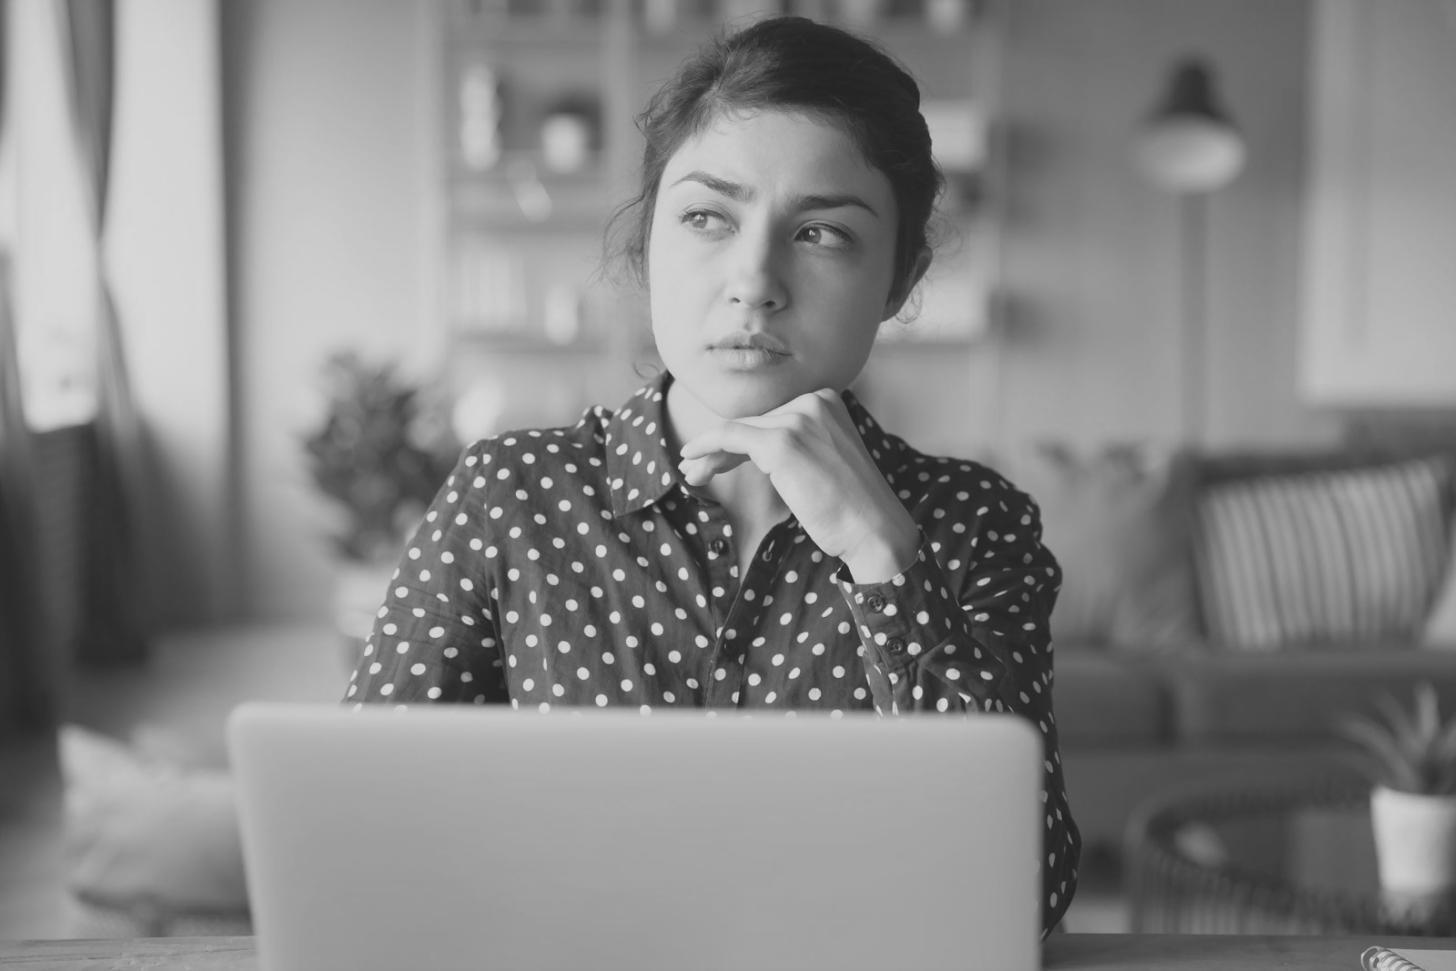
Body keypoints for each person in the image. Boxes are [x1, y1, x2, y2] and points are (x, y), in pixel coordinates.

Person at [346, 15, 1080, 934]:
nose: (755, 280)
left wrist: (884, 561)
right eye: (707, 217)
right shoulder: (512, 494)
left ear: (899, 280)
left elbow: (1027, 893)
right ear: (647, 242)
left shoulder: (975, 521)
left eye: (821, 233)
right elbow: (359, 834)